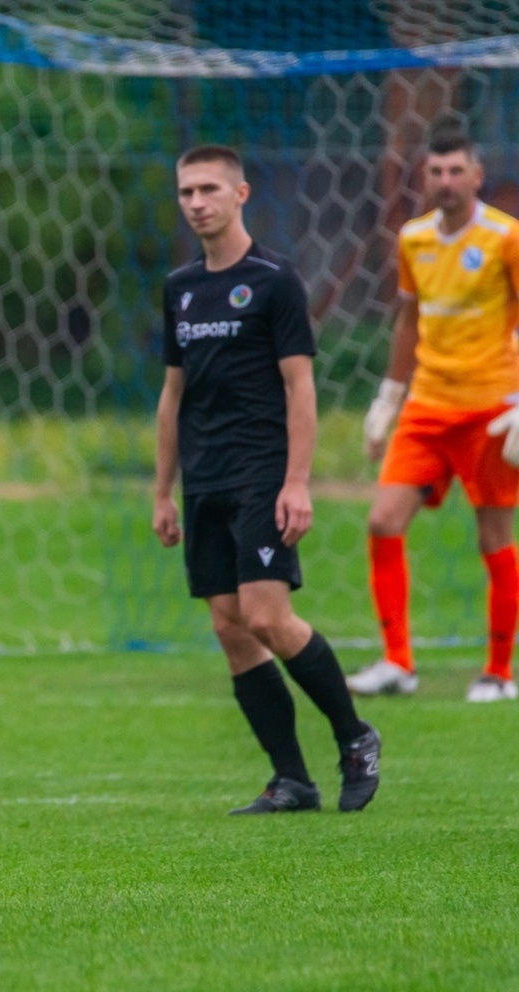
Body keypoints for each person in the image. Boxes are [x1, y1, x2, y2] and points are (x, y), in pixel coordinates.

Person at [152, 145, 381, 814]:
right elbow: (173, 395)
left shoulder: (275, 279)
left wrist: (298, 482)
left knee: (265, 615)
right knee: (229, 627)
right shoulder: (180, 288)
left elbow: (299, 387)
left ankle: (355, 737)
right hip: (205, 480)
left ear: (241, 193)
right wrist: (163, 491)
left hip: (261, 473)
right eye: (186, 191)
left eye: (208, 190)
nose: (196, 202)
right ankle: (293, 781)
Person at [350, 129, 519, 702]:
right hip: (427, 405)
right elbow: (408, 320)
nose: (445, 182)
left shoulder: (505, 238)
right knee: (382, 520)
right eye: (435, 172)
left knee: (493, 535)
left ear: (476, 176)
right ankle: (397, 662)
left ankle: (498, 672)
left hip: (491, 410)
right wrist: (388, 398)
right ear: (423, 179)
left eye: (455, 171)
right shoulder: (414, 238)